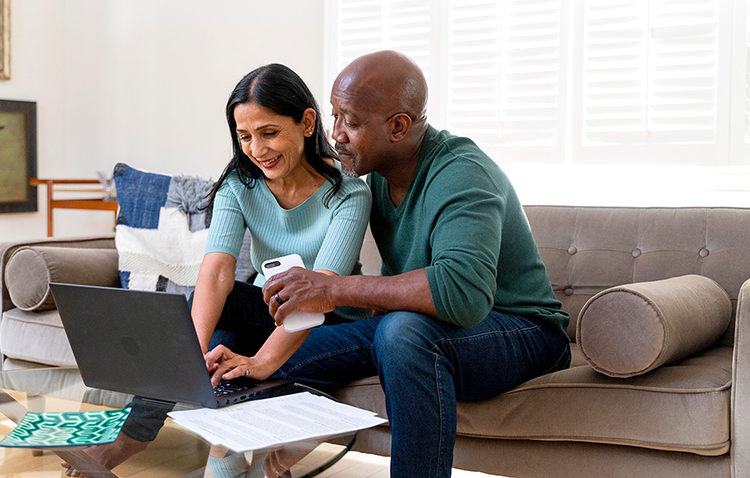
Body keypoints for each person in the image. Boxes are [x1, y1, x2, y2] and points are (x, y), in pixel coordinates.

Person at [260, 50, 571, 477]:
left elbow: (462, 294)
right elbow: (385, 296)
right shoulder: (377, 181)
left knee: (403, 332)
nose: (336, 135)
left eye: (349, 121)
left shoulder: (462, 173)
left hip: (524, 330)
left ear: (399, 127)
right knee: (278, 354)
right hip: (428, 327)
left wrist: (332, 289)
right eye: (334, 116)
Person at [62, 63, 371, 476]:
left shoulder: (348, 192)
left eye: (269, 132)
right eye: (245, 136)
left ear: (307, 123)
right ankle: (144, 432)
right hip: (266, 306)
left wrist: (260, 361)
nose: (257, 149)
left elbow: (323, 292)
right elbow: (217, 273)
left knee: (230, 362)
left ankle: (153, 440)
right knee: (212, 351)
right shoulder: (239, 185)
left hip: (329, 316)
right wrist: (187, 362)